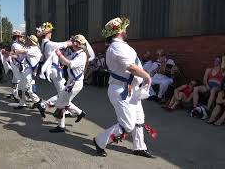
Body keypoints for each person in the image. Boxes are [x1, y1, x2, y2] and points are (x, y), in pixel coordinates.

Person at [93, 17, 155, 158]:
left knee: (139, 119)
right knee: (127, 124)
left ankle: (139, 147)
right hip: (120, 90)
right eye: (124, 28)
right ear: (119, 31)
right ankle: (99, 141)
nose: (126, 29)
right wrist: (146, 76)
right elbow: (131, 67)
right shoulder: (116, 47)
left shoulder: (122, 45)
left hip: (131, 89)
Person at [36, 22, 94, 118]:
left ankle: (70, 112)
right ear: (47, 33)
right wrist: (74, 40)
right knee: (62, 94)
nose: (51, 33)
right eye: (50, 32)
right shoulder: (50, 44)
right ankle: (76, 112)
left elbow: (65, 53)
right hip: (55, 70)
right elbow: (65, 44)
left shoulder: (44, 43)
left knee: (63, 94)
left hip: (55, 69)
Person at [48, 34, 88, 133]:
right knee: (63, 101)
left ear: (78, 44)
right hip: (71, 83)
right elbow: (66, 59)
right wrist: (61, 57)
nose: (72, 43)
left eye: (74, 41)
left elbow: (71, 64)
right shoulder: (76, 53)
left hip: (75, 83)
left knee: (61, 102)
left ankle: (62, 125)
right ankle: (78, 113)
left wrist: (60, 55)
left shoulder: (82, 55)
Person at [12, 35, 44, 110]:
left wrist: (16, 51)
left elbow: (23, 51)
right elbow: (23, 51)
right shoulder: (31, 47)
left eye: (29, 40)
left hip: (30, 72)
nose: (27, 41)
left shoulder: (35, 49)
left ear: (32, 42)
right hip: (26, 71)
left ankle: (38, 102)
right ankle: (22, 103)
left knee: (28, 89)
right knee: (21, 87)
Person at [7, 30, 26, 102]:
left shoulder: (18, 44)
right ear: (17, 37)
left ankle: (15, 94)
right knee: (19, 81)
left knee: (15, 81)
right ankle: (18, 95)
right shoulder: (15, 45)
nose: (22, 38)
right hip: (18, 64)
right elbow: (16, 54)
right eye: (21, 36)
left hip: (19, 64)